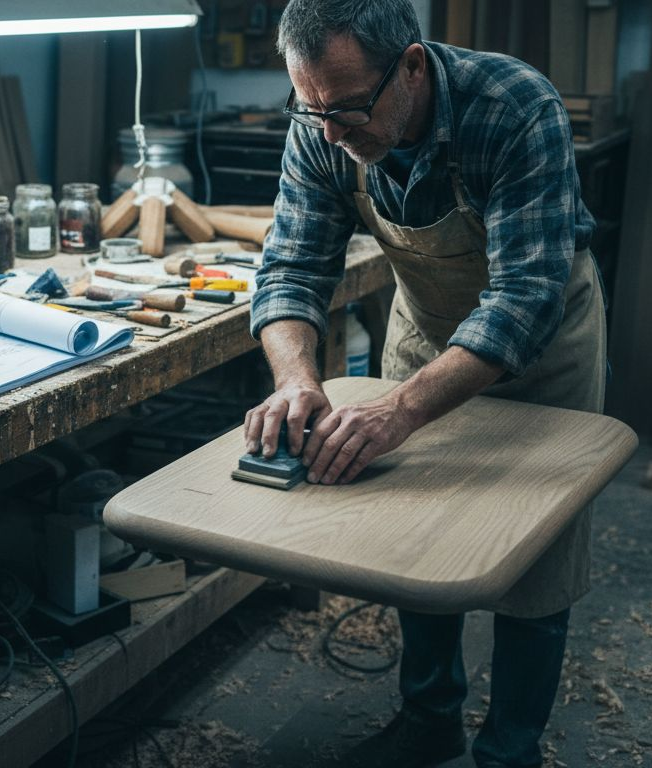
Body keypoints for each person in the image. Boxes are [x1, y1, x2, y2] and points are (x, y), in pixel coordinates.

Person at [242, 1, 606, 766]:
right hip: (427, 327)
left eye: (346, 108)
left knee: (536, 560)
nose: (331, 133)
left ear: (410, 66)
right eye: (311, 110)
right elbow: (292, 266)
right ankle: (430, 717)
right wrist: (296, 379)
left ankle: (510, 750)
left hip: (544, 345)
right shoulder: (323, 124)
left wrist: (398, 410)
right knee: (417, 541)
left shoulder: (512, 104)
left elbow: (522, 301)